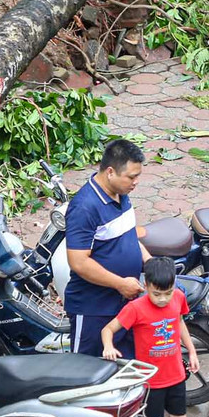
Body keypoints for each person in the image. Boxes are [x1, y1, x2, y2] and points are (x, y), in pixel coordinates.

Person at [101, 257, 201, 417]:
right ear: (146, 285)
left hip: (175, 375)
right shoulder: (135, 308)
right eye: (157, 294)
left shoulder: (178, 298)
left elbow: (179, 322)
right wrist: (108, 347)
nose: (163, 299)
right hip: (151, 380)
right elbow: (108, 329)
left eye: (167, 293)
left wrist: (191, 350)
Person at [64, 139, 152, 360]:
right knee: (87, 368)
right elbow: (78, 262)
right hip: (94, 309)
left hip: (124, 305)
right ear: (110, 172)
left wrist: (149, 261)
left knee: (124, 366)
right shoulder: (85, 207)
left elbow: (128, 236)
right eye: (131, 177)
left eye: (138, 176)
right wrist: (120, 284)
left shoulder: (122, 194)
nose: (136, 182)